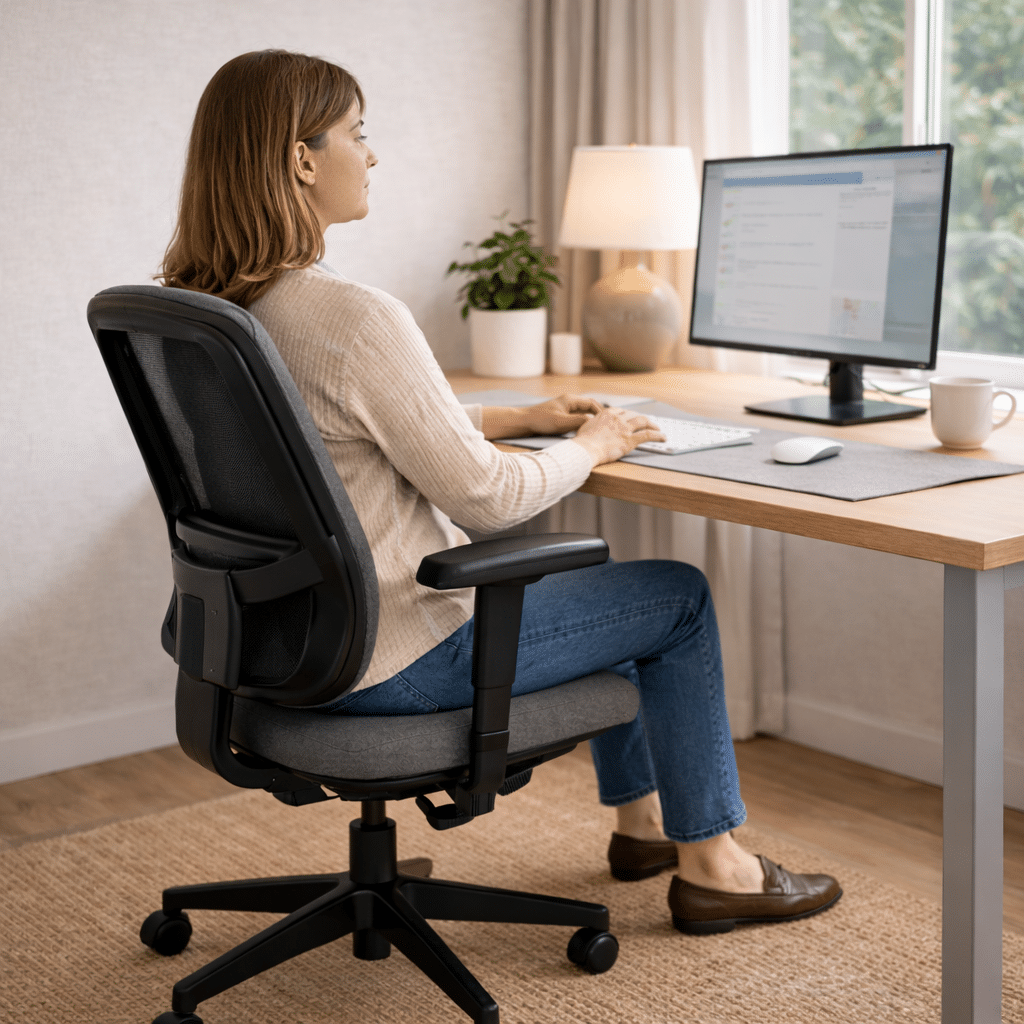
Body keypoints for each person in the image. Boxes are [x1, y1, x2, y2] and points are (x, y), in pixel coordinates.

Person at [161, 49, 841, 935]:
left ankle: (643, 829)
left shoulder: (207, 309)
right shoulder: (351, 316)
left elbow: (338, 436)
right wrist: (594, 441)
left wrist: (514, 416)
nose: (372, 156)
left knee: (615, 603)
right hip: (392, 659)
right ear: (301, 157)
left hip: (273, 650)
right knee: (674, 598)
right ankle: (716, 864)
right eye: (359, 136)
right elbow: (486, 502)